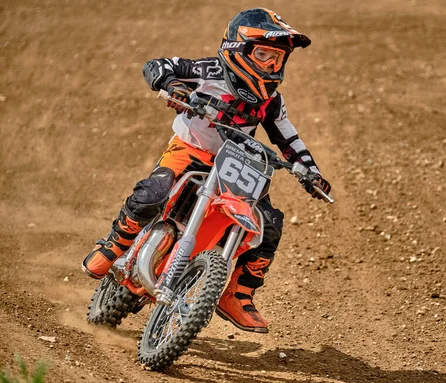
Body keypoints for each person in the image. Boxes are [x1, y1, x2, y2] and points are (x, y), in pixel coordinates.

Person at [81, 8, 332, 333]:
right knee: (154, 192)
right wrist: (173, 85)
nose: (272, 66)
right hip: (191, 150)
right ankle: (114, 245)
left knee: (269, 225)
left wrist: (309, 172)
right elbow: (157, 66)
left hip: (236, 164)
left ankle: (236, 294)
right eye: (264, 54)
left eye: (278, 59)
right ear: (239, 49)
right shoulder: (209, 70)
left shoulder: (271, 101)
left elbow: (289, 139)